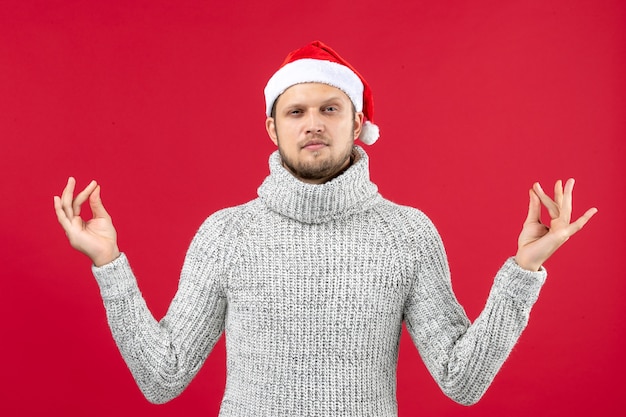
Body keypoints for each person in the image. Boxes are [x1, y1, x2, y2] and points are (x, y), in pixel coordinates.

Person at [53, 41, 597, 416]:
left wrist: (524, 271)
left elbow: (463, 380)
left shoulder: (406, 235)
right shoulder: (226, 235)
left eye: (330, 108)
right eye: (296, 112)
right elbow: (162, 377)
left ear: (357, 122)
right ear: (272, 128)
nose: (313, 122)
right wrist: (110, 264)